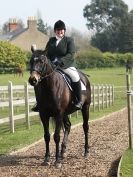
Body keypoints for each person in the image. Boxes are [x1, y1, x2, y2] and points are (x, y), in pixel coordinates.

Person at [32, 20, 82, 111]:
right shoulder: (51, 41)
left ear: (64, 30)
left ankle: (79, 100)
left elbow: (71, 54)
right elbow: (45, 53)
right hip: (52, 66)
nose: (60, 32)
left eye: (62, 30)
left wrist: (61, 61)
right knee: (39, 79)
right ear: (55, 31)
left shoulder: (69, 40)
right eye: (58, 30)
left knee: (75, 76)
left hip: (66, 65)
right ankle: (39, 103)